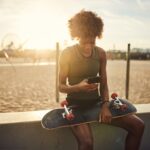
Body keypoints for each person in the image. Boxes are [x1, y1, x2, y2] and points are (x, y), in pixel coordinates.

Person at [58, 10, 145, 150]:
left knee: (138, 126)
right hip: (75, 107)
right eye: (84, 41)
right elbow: (60, 86)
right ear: (77, 35)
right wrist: (78, 87)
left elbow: (104, 84)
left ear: (97, 35)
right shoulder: (67, 53)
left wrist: (105, 106)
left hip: (97, 104)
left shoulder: (101, 53)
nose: (88, 46)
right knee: (87, 143)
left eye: (92, 41)